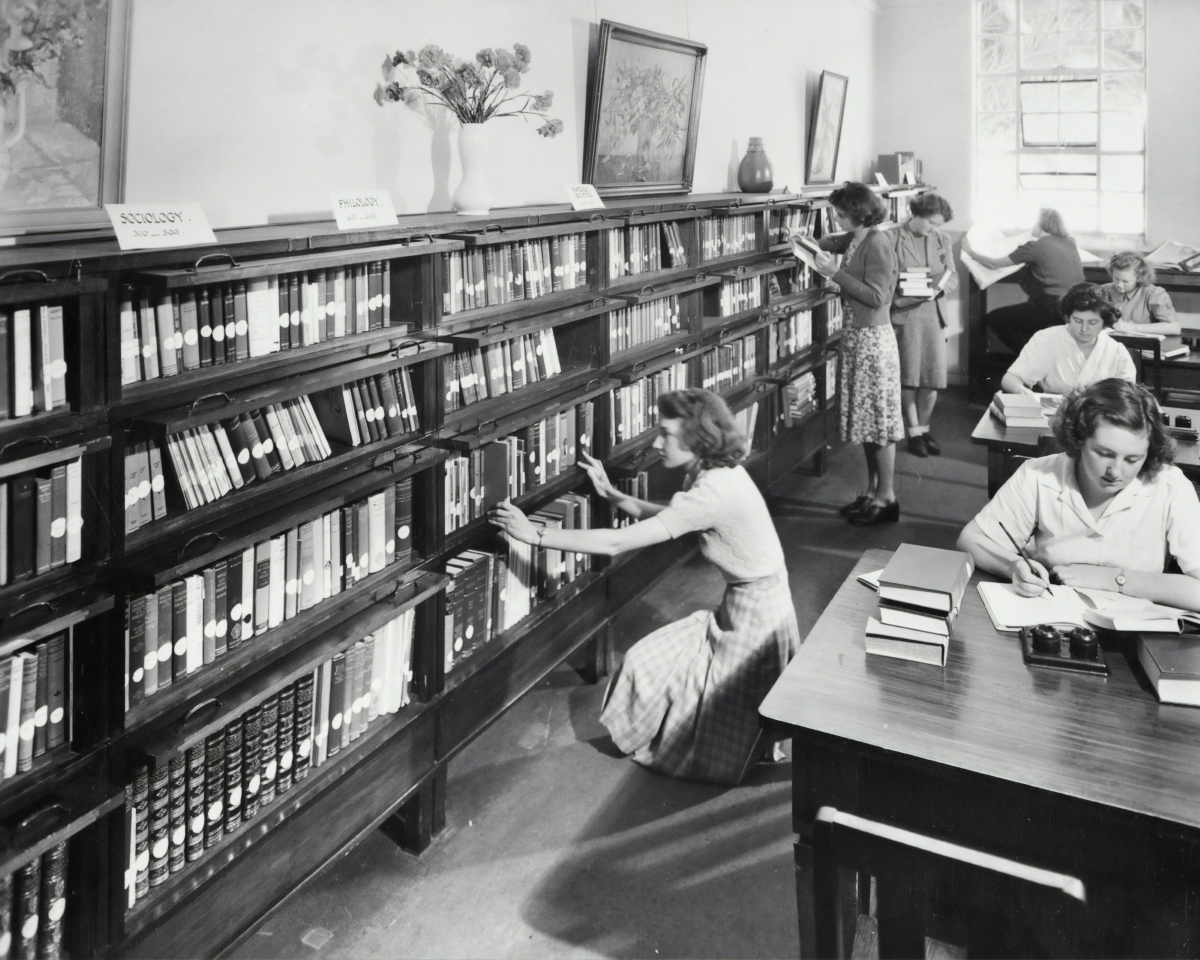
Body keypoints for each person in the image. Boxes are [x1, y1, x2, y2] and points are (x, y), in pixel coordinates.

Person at [489, 388, 800, 786]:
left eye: (666, 434)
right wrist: (615, 496)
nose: (656, 442)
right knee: (667, 674)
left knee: (722, 715)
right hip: (752, 601)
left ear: (698, 437)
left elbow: (619, 542)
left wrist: (535, 537)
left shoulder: (713, 490)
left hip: (757, 617)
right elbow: (676, 516)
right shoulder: (713, 472)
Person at [958, 379, 1200, 609]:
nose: (1115, 471)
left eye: (1132, 459)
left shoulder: (1171, 487)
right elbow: (970, 539)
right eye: (1104, 453)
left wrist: (1115, 579)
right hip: (1049, 617)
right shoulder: (1039, 475)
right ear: (1079, 438)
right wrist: (1014, 566)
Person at [795, 181, 903, 525]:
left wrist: (834, 273)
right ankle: (872, 491)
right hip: (858, 338)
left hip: (873, 342)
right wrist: (804, 242)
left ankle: (887, 497)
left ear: (857, 213)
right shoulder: (858, 238)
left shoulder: (878, 244)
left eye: (840, 214)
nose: (836, 218)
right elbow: (834, 242)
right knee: (869, 422)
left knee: (880, 425)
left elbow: (877, 297)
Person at [889, 192, 957, 458]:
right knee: (909, 376)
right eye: (930, 222)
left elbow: (952, 275)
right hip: (906, 314)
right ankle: (914, 431)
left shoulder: (942, 239)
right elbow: (888, 279)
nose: (933, 229)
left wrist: (940, 288)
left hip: (933, 313)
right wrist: (908, 291)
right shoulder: (892, 238)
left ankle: (925, 428)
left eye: (938, 224)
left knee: (932, 376)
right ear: (915, 214)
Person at [963, 208, 1085, 354]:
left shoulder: (1036, 246)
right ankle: (1036, 356)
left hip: (1052, 306)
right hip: (1074, 304)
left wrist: (970, 252)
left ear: (1041, 224)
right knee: (1028, 316)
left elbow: (993, 264)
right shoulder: (1070, 243)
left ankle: (1031, 358)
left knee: (994, 319)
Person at [1000, 282, 1136, 396]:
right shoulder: (1047, 338)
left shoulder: (1115, 350)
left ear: (1105, 322)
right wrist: (1021, 391)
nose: (1084, 329)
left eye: (1092, 322)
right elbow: (1010, 379)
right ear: (1068, 317)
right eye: (1077, 320)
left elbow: (1128, 394)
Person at [1102, 251, 1181, 335]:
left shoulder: (1154, 294)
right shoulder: (1103, 290)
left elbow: (1174, 328)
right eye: (1116, 278)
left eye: (1125, 281)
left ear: (1139, 278)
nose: (1119, 285)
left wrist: (1129, 327)